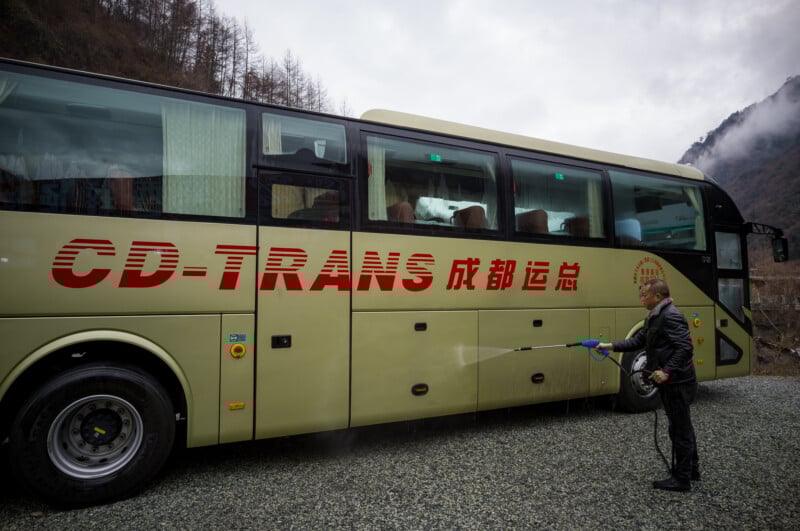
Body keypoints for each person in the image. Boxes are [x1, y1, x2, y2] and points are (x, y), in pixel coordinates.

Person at [598, 278, 699, 492]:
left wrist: (666, 371)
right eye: (641, 293)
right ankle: (691, 470)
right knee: (681, 426)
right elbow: (637, 341)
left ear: (658, 296)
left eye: (645, 294)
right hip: (672, 381)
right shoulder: (655, 316)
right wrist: (609, 345)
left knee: (679, 429)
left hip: (678, 382)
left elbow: (685, 349)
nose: (641, 298)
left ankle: (682, 479)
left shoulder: (671, 316)